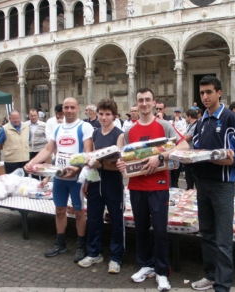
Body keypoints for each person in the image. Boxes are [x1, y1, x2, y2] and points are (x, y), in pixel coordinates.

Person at [116, 88, 189, 291]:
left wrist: (161, 157)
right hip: (137, 186)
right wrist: (123, 165)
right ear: (137, 104)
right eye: (141, 100)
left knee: (159, 230)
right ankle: (146, 265)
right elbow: (127, 158)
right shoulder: (129, 130)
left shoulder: (165, 126)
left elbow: (184, 147)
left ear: (154, 103)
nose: (144, 103)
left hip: (159, 186)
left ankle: (162, 272)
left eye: (148, 100)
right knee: (140, 229)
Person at [191, 76, 235, 292]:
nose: (205, 97)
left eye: (209, 92)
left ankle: (223, 285)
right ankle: (210, 275)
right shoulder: (201, 121)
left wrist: (233, 161)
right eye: (202, 93)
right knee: (207, 233)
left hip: (223, 186)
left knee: (223, 238)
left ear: (219, 93)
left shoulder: (229, 118)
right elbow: (195, 147)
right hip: (203, 184)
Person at [24, 97, 94, 262]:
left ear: (77, 108)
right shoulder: (57, 128)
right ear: (62, 109)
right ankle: (60, 243)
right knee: (59, 210)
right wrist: (31, 163)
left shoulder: (85, 127)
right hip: (60, 177)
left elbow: (87, 153)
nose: (69, 110)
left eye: (72, 107)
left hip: (76, 177)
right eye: (66, 107)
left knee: (79, 212)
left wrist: (78, 169)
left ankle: (80, 245)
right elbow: (48, 150)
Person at [78, 99, 125, 274]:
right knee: (94, 218)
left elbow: (119, 162)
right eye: (101, 114)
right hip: (96, 181)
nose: (104, 117)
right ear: (97, 114)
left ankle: (116, 256)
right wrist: (87, 181)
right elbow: (91, 160)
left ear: (114, 115)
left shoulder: (119, 134)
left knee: (116, 219)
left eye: (107, 114)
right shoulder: (95, 134)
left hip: (112, 182)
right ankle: (94, 252)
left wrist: (101, 165)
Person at [25, 109, 47, 179]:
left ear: (38, 116)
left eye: (34, 115)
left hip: (40, 151)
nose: (33, 117)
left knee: (42, 170)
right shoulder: (25, 125)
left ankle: (43, 183)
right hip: (29, 151)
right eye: (31, 116)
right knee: (33, 170)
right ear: (29, 116)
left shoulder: (44, 125)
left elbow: (47, 137)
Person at [183, 109, 198, 190]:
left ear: (189, 116)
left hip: (193, 156)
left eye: (186, 117)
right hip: (188, 156)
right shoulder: (189, 125)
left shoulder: (196, 125)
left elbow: (187, 137)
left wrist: (180, 139)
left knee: (194, 178)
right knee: (189, 180)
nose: (185, 119)